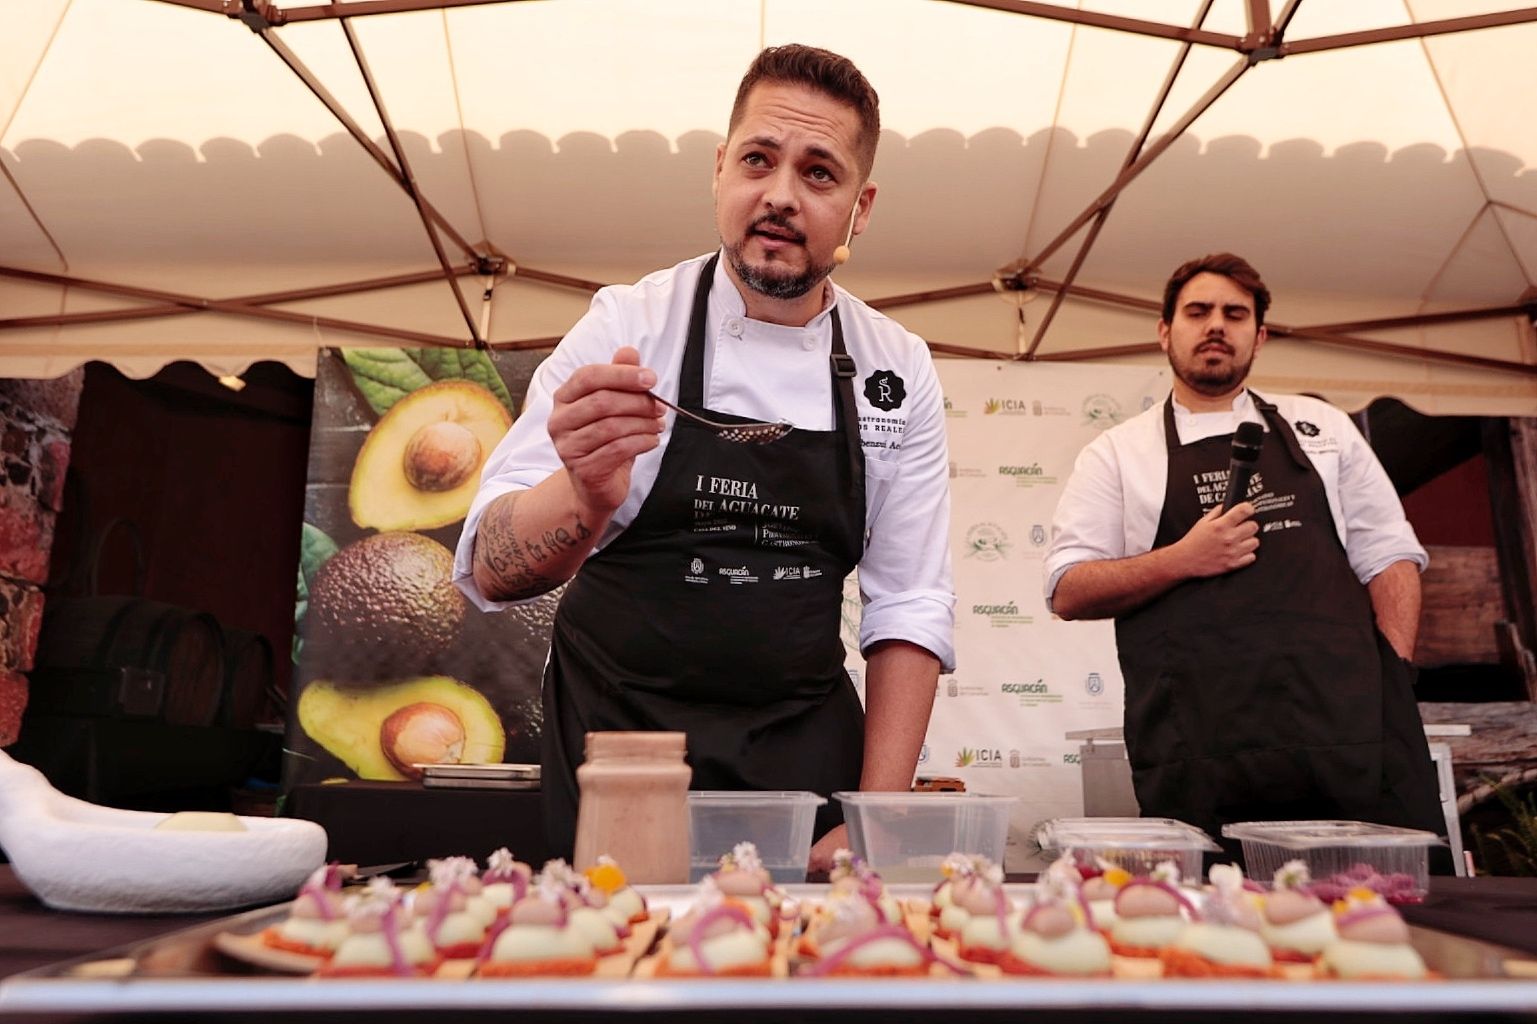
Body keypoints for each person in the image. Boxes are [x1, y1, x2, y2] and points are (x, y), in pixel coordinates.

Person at [453, 44, 955, 872]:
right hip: (619, 748)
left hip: (800, 746)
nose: (780, 196)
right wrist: (583, 499)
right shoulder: (626, 330)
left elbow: (908, 605)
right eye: (758, 159)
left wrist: (878, 817)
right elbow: (490, 567)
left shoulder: (894, 369)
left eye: (819, 173)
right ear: (720, 169)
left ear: (859, 208)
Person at [1043, 252, 1447, 866]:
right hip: (1204, 748)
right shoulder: (1118, 453)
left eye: (1235, 314)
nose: (1216, 326)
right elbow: (1069, 588)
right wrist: (1183, 557)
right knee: (1223, 931)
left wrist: (1391, 671)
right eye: (1197, 311)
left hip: (1349, 736)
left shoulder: (1324, 427)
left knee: (1382, 921)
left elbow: (1389, 554)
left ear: (1258, 335)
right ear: (1164, 331)